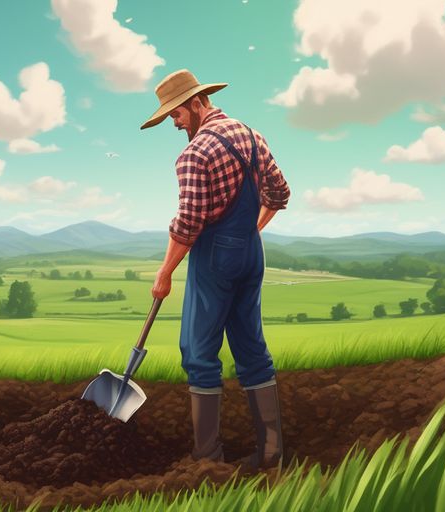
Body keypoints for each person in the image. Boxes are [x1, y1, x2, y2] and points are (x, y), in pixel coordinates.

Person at [140, 69, 291, 471]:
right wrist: (247, 232)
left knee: (198, 352)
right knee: (251, 347)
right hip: (250, 254)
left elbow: (189, 223)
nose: (174, 122)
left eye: (175, 113)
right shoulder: (253, 136)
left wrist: (164, 272)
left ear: (196, 103)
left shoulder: (194, 154)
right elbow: (279, 194)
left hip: (215, 259)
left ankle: (207, 459)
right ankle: (272, 456)